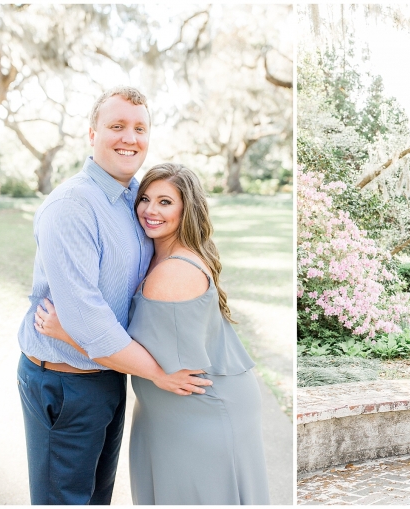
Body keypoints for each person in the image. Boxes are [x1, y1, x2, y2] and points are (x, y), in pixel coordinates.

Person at [16, 86, 211, 505]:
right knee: (65, 501)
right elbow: (88, 322)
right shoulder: (72, 206)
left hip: (110, 375)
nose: (130, 138)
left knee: (96, 498)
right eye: (117, 126)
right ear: (92, 134)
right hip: (66, 384)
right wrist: (158, 374)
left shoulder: (136, 200)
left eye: (140, 128)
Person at [35, 164, 270, 505]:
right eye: (145, 198)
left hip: (199, 407)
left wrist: (68, 331)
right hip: (173, 408)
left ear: (186, 210)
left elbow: (127, 345)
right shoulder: (158, 257)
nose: (150, 210)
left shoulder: (173, 273)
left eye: (165, 202)